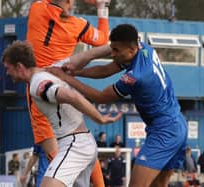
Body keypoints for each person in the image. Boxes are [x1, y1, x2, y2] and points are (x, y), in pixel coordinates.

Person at [47, 24, 188, 187]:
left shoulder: (135, 76)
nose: (112, 54)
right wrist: (76, 72)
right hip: (177, 124)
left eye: (116, 50)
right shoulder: (144, 49)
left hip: (165, 131)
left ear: (131, 49)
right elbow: (105, 70)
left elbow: (100, 97)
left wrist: (66, 79)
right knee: (158, 185)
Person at [2, 41, 121, 187]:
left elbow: (72, 96)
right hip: (84, 141)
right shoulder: (55, 68)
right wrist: (120, 45)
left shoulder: (37, 85)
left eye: (8, 68)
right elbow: (90, 54)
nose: (7, 73)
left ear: (19, 67)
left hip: (74, 144)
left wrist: (99, 118)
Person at [26, 0, 111, 185]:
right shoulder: (79, 26)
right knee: (80, 145)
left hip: (39, 90)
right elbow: (103, 39)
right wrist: (101, 7)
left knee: (57, 160)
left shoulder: (36, 9)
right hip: (62, 88)